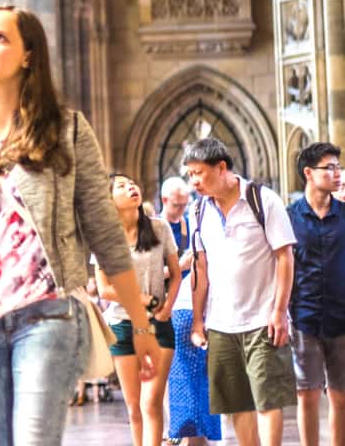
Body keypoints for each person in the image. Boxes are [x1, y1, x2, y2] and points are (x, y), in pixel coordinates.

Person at [0, 4, 160, 446]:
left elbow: (105, 233)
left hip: (47, 315)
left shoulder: (67, 130)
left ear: (28, 55)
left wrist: (140, 327)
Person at [187, 138, 296, 446]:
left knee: (268, 400)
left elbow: (285, 257)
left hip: (263, 319)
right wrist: (198, 320)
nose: (194, 181)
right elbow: (200, 268)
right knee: (236, 404)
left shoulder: (263, 200)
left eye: (199, 173)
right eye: (190, 174)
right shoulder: (198, 210)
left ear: (221, 167)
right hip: (221, 323)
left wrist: (279, 312)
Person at [96, 173, 180, 446]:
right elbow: (104, 289)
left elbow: (175, 275)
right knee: (134, 408)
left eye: (132, 183)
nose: (131, 187)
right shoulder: (105, 237)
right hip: (122, 326)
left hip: (158, 324)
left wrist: (167, 307)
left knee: (151, 402)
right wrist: (141, 299)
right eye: (121, 186)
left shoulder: (159, 228)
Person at [288, 142, 345, 446]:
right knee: (307, 396)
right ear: (308, 173)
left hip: (342, 315)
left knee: (340, 397)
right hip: (304, 317)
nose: (337, 173)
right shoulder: (289, 217)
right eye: (329, 167)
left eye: (338, 167)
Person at [159, 176, 220, 445]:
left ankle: (192, 432)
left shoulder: (189, 224)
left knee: (193, 371)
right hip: (162, 305)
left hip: (188, 303)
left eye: (185, 204)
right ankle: (172, 429)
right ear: (164, 201)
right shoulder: (156, 229)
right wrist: (178, 268)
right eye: (176, 205)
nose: (181, 210)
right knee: (167, 373)